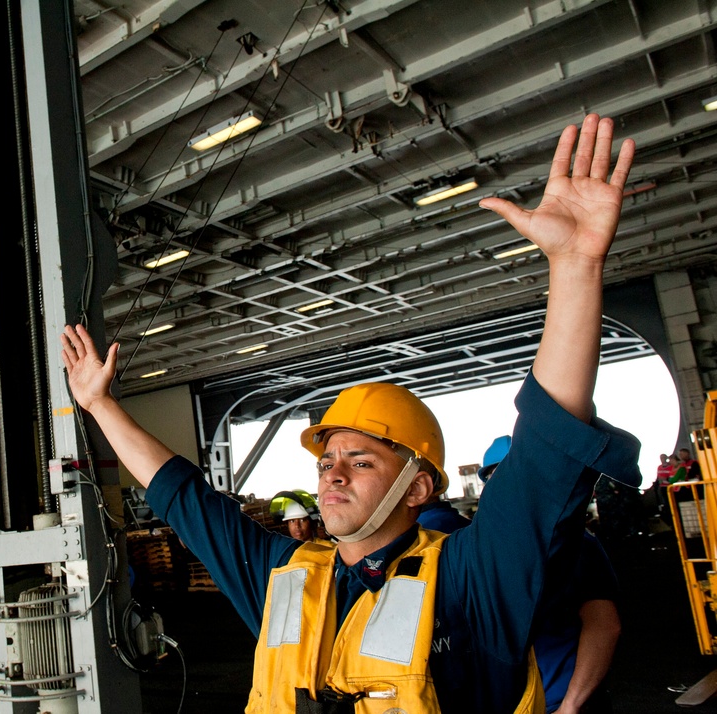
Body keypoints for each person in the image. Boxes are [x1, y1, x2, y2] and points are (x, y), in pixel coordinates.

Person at [61, 114, 641, 712]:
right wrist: (99, 404)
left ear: (417, 488)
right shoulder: (280, 573)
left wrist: (575, 267)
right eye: (328, 460)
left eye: (360, 461)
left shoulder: (472, 581)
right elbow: (180, 494)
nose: (331, 475)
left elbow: (545, 449)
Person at [478, 436, 622, 714]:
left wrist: (571, 705)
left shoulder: (574, 544)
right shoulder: (481, 546)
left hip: (560, 701)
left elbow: (603, 626)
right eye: (497, 478)